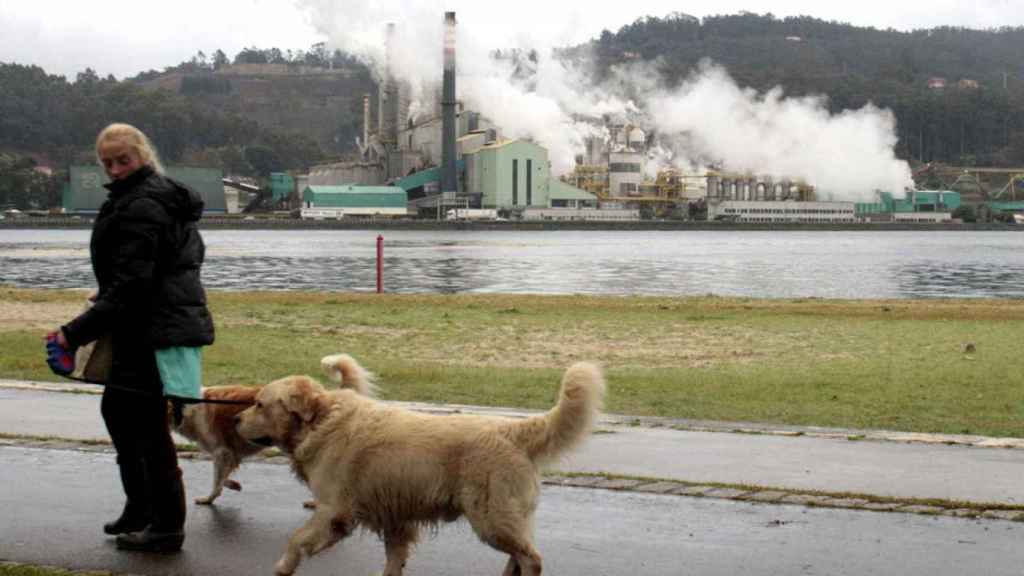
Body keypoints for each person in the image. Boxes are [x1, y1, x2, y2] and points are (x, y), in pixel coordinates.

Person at [48, 123, 215, 553]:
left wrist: (73, 333)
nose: (116, 168)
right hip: (146, 321)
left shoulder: (145, 204)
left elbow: (132, 285)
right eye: (107, 162)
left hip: (151, 325)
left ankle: (166, 526)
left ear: (142, 155)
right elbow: (131, 279)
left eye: (124, 159)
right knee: (121, 413)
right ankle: (141, 507)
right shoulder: (144, 196)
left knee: (145, 427)